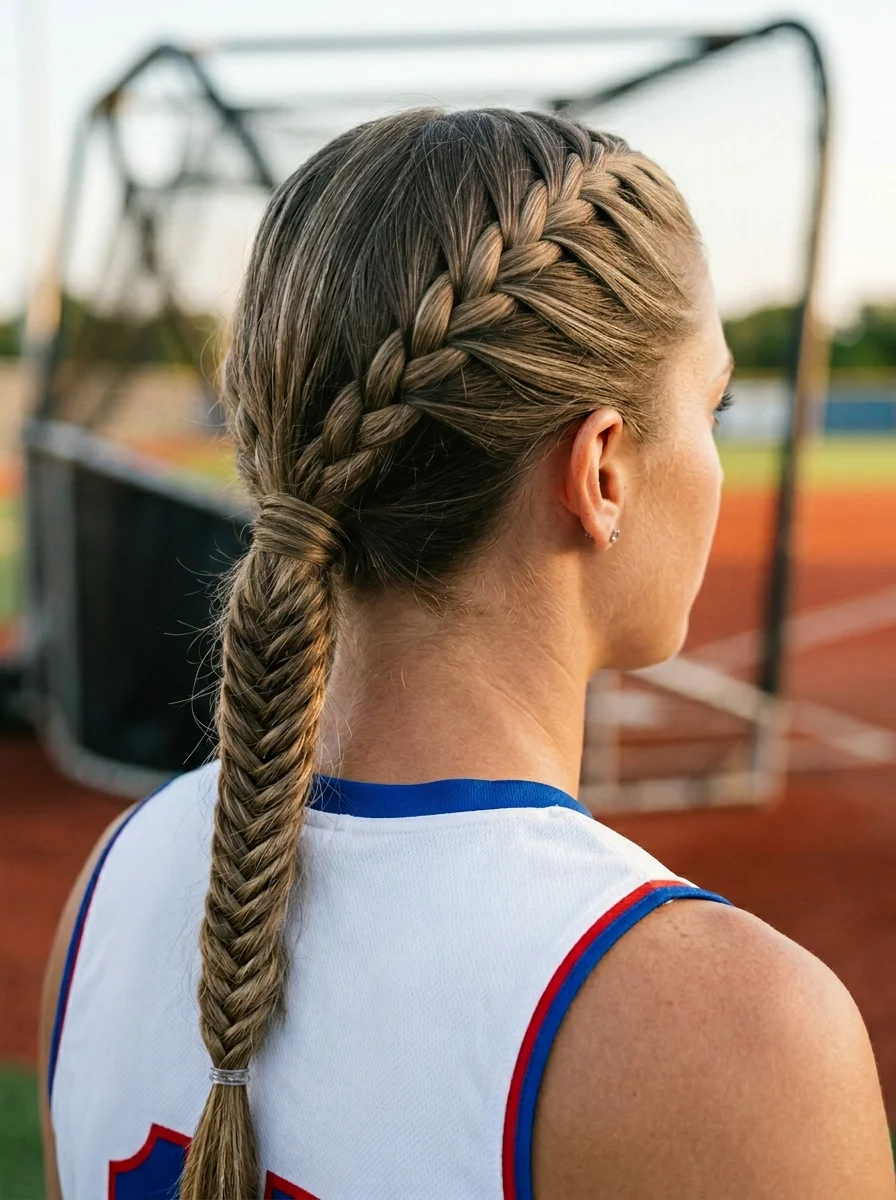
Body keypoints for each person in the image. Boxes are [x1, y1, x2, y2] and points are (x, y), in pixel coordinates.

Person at [39, 108, 894, 1200]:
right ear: (601, 471)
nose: (717, 462)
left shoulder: (111, 890)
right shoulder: (730, 1042)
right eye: (709, 407)